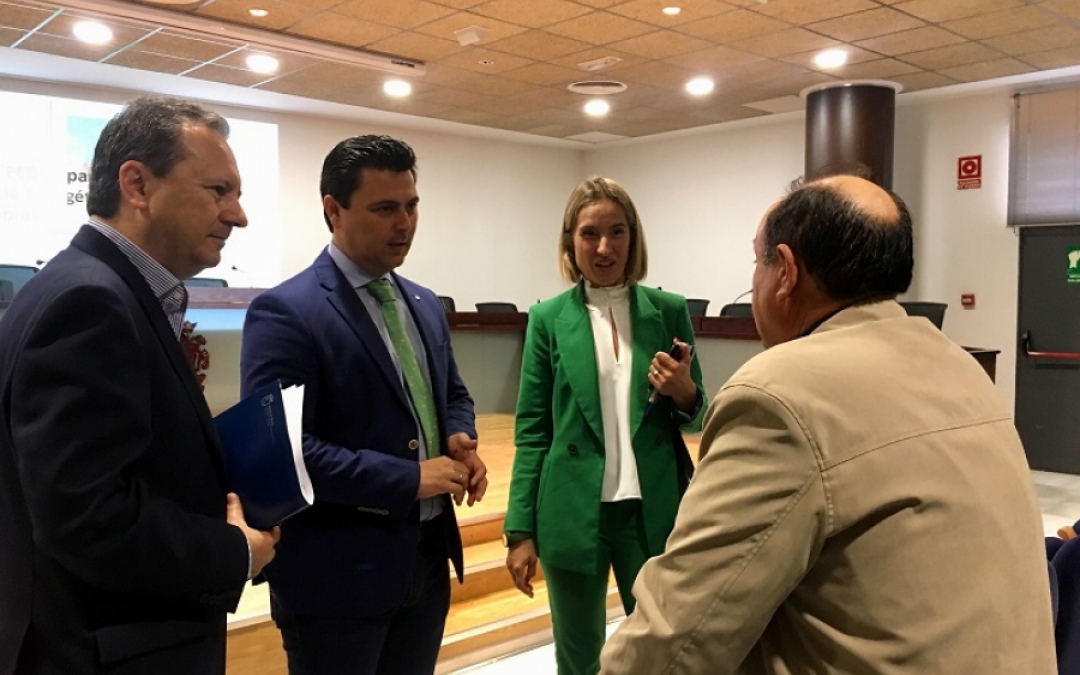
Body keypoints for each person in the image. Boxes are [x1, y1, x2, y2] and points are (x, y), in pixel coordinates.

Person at [599, 174, 1056, 674]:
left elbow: (676, 639)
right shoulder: (963, 368)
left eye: (757, 262)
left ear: (786, 271)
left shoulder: (779, 395)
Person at [0, 96, 279, 675]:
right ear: (137, 185)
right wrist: (233, 553)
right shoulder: (91, 302)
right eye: (218, 191)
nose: (238, 215)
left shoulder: (86, 286)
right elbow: (86, 517)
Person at [240, 134, 488, 675]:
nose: (405, 224)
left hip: (425, 558)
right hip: (336, 577)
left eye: (412, 206)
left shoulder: (422, 302)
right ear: (334, 209)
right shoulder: (285, 312)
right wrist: (409, 477)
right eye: (385, 209)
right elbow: (282, 453)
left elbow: (453, 393)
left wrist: (458, 434)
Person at [504, 176, 706, 675]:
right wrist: (519, 530)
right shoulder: (547, 318)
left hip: (650, 508)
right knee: (579, 655)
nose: (604, 247)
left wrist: (683, 390)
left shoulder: (669, 311)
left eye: (617, 232)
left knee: (659, 649)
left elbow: (696, 410)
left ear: (633, 237)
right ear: (569, 240)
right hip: (572, 508)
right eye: (589, 233)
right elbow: (533, 430)